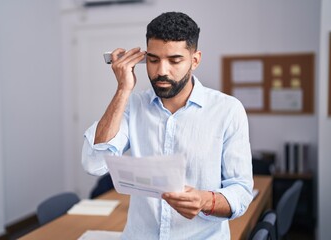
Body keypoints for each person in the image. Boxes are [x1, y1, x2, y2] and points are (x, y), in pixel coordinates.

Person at [82, 11, 253, 239]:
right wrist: (123, 89)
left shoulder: (228, 110)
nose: (161, 71)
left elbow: (241, 190)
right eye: (153, 60)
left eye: (174, 60)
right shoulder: (133, 105)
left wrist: (205, 201)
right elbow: (94, 163)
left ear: (195, 60)